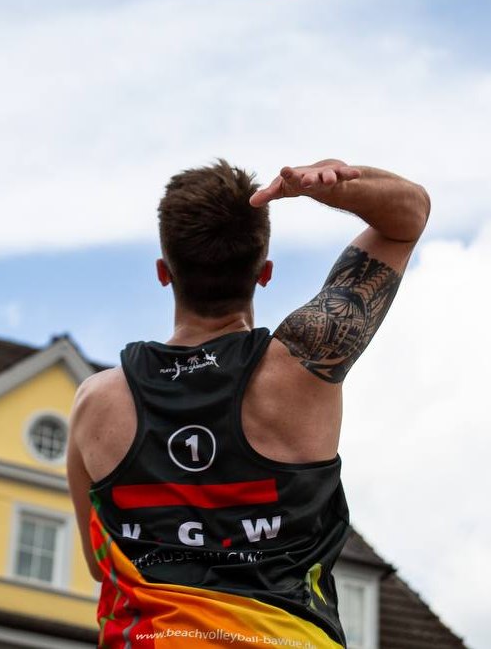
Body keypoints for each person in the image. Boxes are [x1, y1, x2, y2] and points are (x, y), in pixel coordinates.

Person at [68, 158, 430, 648]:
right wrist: (336, 187)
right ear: (265, 273)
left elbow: (100, 563)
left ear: (163, 273)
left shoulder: (96, 404)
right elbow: (408, 218)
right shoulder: (302, 366)